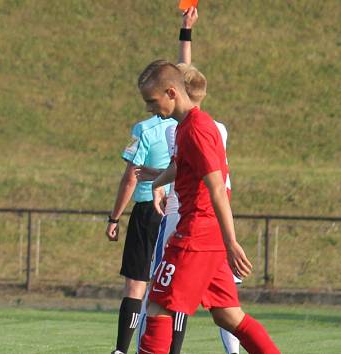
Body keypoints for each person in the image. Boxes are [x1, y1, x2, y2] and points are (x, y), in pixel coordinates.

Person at [136, 59, 280, 354]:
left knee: (158, 305)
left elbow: (216, 187)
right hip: (207, 234)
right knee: (228, 315)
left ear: (172, 93)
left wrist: (231, 242)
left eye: (152, 101)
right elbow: (182, 165)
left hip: (197, 234)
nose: (150, 109)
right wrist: (158, 182)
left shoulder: (196, 130)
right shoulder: (187, 126)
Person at [135, 7, 242, 354]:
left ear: (175, 92)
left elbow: (205, 181)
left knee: (163, 296)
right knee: (227, 309)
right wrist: (186, 32)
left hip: (187, 217)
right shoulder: (214, 126)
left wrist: (157, 182)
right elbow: (182, 74)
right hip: (211, 217)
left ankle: (157, 349)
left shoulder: (185, 129)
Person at [106, 68, 177, 354]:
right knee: (174, 288)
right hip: (177, 211)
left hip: (149, 209)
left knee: (136, 284)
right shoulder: (185, 125)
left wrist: (114, 217)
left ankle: (121, 350)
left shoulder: (144, 129)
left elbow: (130, 176)